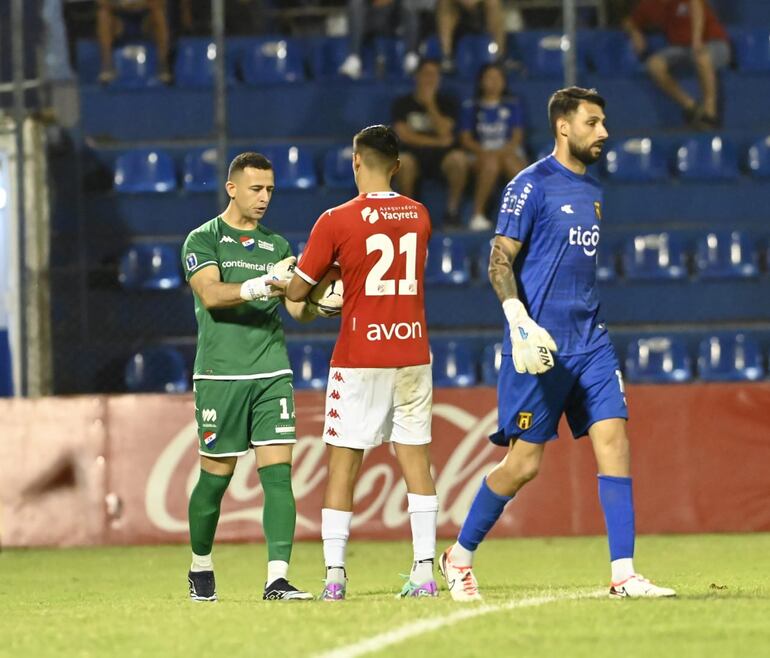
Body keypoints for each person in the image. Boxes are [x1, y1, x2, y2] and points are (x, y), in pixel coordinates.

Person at [439, 87, 677, 601]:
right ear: (564, 127)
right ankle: (458, 556)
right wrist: (516, 317)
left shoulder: (593, 191)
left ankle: (623, 573)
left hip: (591, 342)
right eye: (594, 122)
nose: (604, 133)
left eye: (604, 122)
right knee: (524, 465)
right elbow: (498, 258)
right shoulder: (529, 186)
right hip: (538, 347)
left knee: (614, 439)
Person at [284, 125, 439, 601]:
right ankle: (425, 571)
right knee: (416, 461)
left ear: (355, 161)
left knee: (343, 466)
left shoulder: (335, 220)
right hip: (412, 350)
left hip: (359, 356)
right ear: (397, 166)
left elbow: (295, 295)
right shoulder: (419, 215)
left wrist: (316, 291)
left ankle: (334, 577)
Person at [181, 152, 319, 602]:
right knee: (215, 480)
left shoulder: (276, 247)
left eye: (270, 191)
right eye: (256, 189)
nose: (264, 198)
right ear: (232, 188)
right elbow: (212, 293)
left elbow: (296, 310)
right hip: (220, 376)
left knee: (278, 477)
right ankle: (201, 563)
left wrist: (319, 300)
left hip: (271, 372)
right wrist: (262, 284)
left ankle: (276, 579)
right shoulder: (203, 239)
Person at [623, 0, 730, 129]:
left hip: (711, 42)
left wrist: (697, 39)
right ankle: (692, 107)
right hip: (681, 48)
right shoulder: (651, 4)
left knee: (702, 57)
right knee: (654, 65)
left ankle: (710, 115)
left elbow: (697, 7)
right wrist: (635, 32)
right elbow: (628, 21)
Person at [392, 59, 469, 229]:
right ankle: (408, 215)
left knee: (459, 160)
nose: (430, 79)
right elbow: (404, 136)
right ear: (417, 76)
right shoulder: (403, 103)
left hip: (442, 157)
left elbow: (444, 131)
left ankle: (452, 212)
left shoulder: (447, 103)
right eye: (427, 74)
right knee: (402, 162)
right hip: (413, 153)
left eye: (435, 75)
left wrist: (430, 104)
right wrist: (438, 142)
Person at [459, 63, 527, 230]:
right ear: (481, 82)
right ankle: (477, 215)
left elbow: (517, 136)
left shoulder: (513, 105)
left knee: (512, 163)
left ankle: (527, 217)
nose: (494, 82)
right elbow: (465, 139)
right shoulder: (471, 107)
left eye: (498, 78)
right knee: (490, 163)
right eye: (489, 78)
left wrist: (501, 152)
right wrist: (484, 152)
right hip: (480, 153)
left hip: (507, 152)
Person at [338, 0, 422, 79]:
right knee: (355, 2)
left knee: (409, 2)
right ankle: (354, 59)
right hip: (370, 15)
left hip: (394, 17)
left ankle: (411, 57)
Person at [97, 0, 171, 84]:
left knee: (159, 12)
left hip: (146, 18)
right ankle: (107, 65)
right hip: (119, 18)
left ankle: (162, 64)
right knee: (103, 13)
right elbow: (102, 2)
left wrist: (141, 4)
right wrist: (122, 5)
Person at [437, 0, 505, 73]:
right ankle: (447, 55)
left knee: (493, 3)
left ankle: (499, 56)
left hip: (481, 5)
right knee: (444, 4)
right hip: (455, 5)